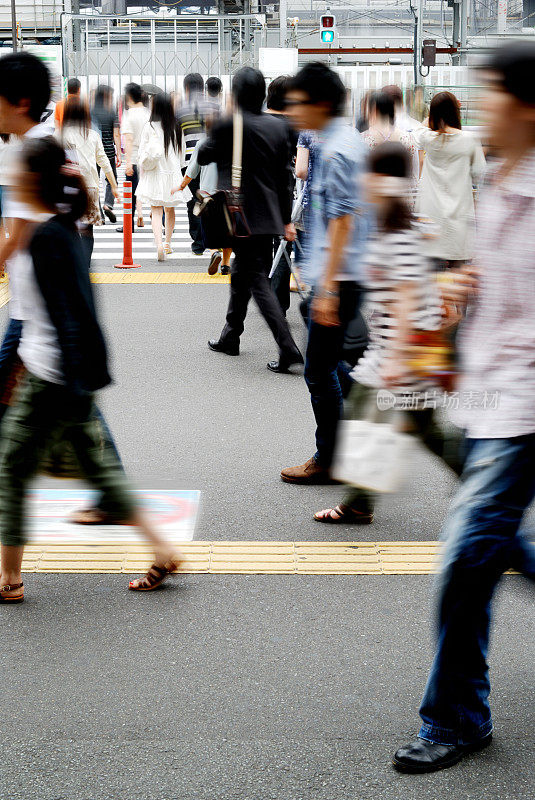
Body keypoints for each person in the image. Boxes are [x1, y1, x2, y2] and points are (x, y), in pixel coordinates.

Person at [392, 40, 535, 773]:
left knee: (464, 559)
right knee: (490, 545)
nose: (480, 107)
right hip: (491, 397)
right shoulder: (505, 181)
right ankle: (459, 712)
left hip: (523, 406)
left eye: (492, 94)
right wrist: (462, 295)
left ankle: (455, 717)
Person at [0, 138, 183, 604]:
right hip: (66, 373)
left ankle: (10, 580)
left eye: (19, 173)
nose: (13, 179)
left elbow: (65, 313)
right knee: (101, 474)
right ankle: (163, 550)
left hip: (53, 376)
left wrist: (36, 370)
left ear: (33, 180)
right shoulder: (65, 227)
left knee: (11, 470)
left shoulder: (46, 236)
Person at [313, 143, 463, 525]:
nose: (363, 180)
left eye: (370, 173)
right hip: (412, 345)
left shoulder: (396, 234)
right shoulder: (400, 224)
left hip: (404, 347)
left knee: (370, 418)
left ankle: (487, 482)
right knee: (420, 427)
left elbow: (406, 296)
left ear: (384, 179)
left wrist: (396, 356)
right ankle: (360, 502)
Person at [280, 62, 368, 483]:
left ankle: (331, 457)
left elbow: (343, 222)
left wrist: (328, 291)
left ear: (323, 103)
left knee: (318, 369)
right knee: (338, 364)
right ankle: (350, 437)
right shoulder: (345, 139)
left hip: (342, 278)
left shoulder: (334, 151)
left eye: (299, 103)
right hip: (348, 274)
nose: (294, 111)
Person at [198, 67, 303, 371]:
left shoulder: (230, 123)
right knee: (242, 274)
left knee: (257, 281)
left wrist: (215, 135)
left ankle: (288, 347)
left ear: (236, 93)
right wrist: (285, 220)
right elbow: (285, 179)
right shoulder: (278, 127)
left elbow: (204, 155)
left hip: (240, 216)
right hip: (268, 217)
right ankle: (231, 336)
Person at [413, 92, 486, 270]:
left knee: (429, 273)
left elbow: (417, 131)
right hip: (459, 214)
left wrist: (431, 119)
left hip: (430, 215)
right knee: (457, 272)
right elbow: (480, 172)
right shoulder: (469, 140)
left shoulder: (428, 138)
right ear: (456, 112)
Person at [58, 97, 119, 265]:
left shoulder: (60, 135)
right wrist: (114, 187)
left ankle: (72, 264)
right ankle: (84, 266)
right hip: (89, 188)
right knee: (87, 231)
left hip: (67, 188)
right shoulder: (92, 135)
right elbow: (104, 162)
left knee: (68, 228)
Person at [175, 114, 232, 275]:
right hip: (228, 193)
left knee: (210, 228)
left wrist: (181, 185)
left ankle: (214, 252)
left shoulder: (202, 143)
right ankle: (226, 265)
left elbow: (192, 170)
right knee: (228, 230)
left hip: (208, 194)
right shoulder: (231, 144)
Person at [137, 93, 190, 262]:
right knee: (170, 209)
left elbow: (142, 153)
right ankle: (167, 243)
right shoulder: (176, 125)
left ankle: (159, 244)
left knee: (156, 209)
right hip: (172, 172)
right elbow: (182, 153)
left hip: (154, 173)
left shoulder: (149, 126)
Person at [265, 75, 299, 316]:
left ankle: (264, 297)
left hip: (258, 195)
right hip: (283, 192)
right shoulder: (294, 127)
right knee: (282, 247)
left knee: (261, 248)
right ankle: (279, 304)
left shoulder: (257, 123)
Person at [177, 73, 211, 255]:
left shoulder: (180, 109)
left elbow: (176, 138)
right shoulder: (213, 107)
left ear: (186, 88)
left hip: (188, 161)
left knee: (193, 202)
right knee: (210, 200)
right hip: (211, 161)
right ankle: (213, 238)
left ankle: (198, 243)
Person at [362, 92, 417, 185]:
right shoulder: (407, 138)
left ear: (374, 110)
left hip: (375, 194)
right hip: (402, 194)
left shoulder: (363, 139)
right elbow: (413, 173)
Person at [117, 82, 150, 233]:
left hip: (136, 159)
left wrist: (128, 162)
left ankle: (128, 225)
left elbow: (129, 139)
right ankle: (162, 222)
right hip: (149, 158)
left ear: (129, 96)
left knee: (130, 193)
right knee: (153, 190)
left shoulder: (129, 114)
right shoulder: (148, 113)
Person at [91, 84, 121, 224]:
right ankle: (108, 204)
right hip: (108, 150)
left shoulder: (91, 111)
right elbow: (116, 133)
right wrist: (119, 155)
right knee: (111, 179)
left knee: (94, 181)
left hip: (93, 150)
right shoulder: (111, 111)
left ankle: (100, 214)